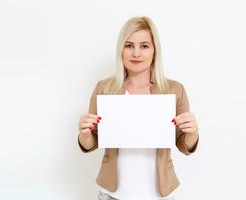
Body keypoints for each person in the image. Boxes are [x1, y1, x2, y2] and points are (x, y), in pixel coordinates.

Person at [77, 16, 199, 200]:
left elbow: (184, 145)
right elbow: (91, 142)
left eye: (144, 46)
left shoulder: (174, 90)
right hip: (112, 194)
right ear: (121, 50)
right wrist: (84, 133)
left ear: (154, 50)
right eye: (129, 45)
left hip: (160, 195)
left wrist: (193, 132)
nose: (136, 53)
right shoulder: (105, 88)